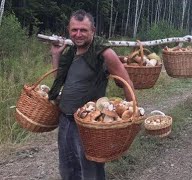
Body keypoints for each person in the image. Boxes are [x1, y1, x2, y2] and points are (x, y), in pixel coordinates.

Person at [48, 9, 134, 180]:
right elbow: (57, 81)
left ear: (93, 31)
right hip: (65, 120)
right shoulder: (71, 51)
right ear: (69, 29)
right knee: (67, 169)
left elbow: (127, 83)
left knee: (90, 172)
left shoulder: (103, 52)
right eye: (74, 30)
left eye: (83, 30)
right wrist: (56, 55)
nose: (78, 34)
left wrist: (131, 119)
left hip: (89, 125)